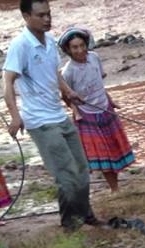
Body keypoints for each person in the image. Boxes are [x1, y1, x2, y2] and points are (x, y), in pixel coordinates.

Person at [2, 0, 100, 230]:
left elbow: (54, 73)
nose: (47, 19)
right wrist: (15, 117)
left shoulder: (49, 41)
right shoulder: (20, 45)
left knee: (82, 169)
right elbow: (7, 81)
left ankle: (85, 214)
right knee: (66, 175)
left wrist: (67, 91)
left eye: (49, 14)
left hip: (58, 114)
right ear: (26, 16)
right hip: (40, 121)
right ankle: (70, 224)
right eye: (41, 15)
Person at [59, 26, 135, 193]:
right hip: (87, 115)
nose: (80, 50)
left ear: (86, 44)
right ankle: (114, 188)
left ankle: (117, 185)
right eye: (75, 47)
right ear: (68, 50)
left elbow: (99, 83)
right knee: (103, 154)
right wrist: (75, 110)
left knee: (114, 148)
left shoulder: (94, 58)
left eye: (82, 45)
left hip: (105, 109)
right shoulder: (68, 72)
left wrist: (110, 100)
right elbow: (65, 95)